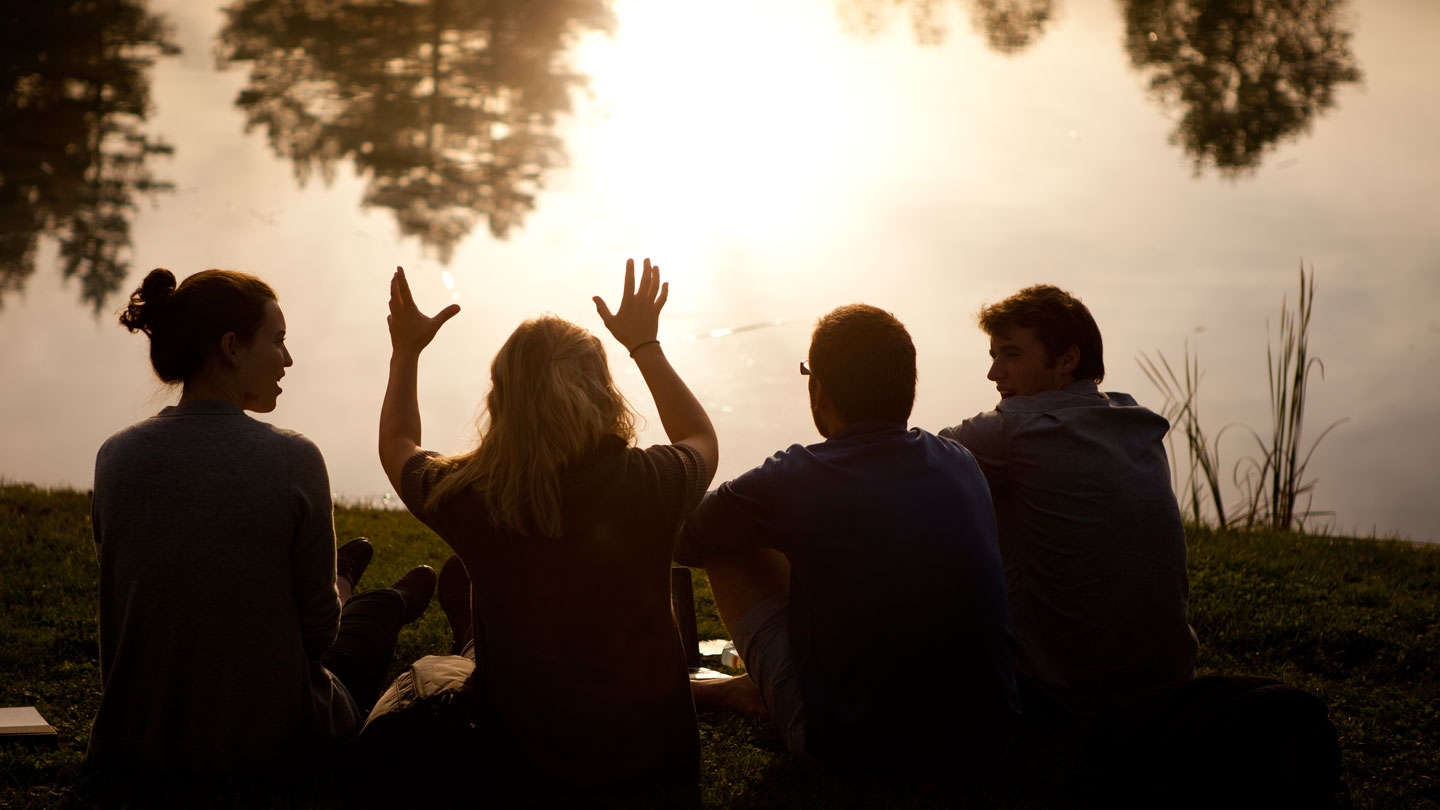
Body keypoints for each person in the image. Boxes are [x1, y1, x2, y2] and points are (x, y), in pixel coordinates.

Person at [373, 259, 718, 796]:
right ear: (603, 393)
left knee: (424, 681)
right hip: (658, 778)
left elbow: (398, 445)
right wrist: (645, 345)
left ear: (502, 399)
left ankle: (472, 638)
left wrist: (406, 352)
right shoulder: (652, 483)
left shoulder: (471, 498)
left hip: (523, 780)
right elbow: (699, 436)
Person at [89, 267, 436, 777]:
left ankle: (347, 578)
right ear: (231, 346)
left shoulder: (113, 457)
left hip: (137, 741)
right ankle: (380, 600)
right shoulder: (292, 458)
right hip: (267, 743)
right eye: (278, 341)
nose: (288, 359)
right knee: (354, 644)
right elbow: (318, 636)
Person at [679, 304, 1018, 782]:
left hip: (852, 751)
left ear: (818, 387)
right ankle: (748, 687)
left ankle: (761, 691)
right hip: (985, 739)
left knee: (727, 541)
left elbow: (689, 537)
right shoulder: (960, 460)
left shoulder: (793, 477)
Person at [938, 284, 1198, 719]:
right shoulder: (1135, 419)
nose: (994, 373)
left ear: (1066, 360)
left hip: (1064, 694)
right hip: (1167, 679)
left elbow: (912, 466)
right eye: (993, 356)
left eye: (1012, 355)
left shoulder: (1012, 430)